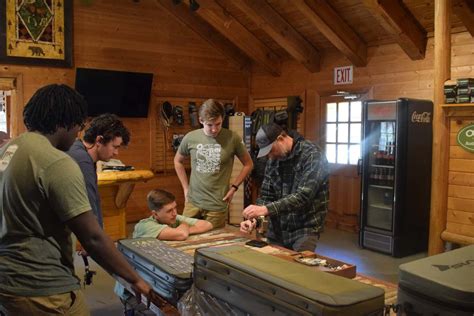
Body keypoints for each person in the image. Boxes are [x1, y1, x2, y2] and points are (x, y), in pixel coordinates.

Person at [0, 84, 152, 315]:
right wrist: (134, 279)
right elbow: (92, 237)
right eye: (79, 127)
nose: (78, 135)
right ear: (66, 122)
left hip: (7, 280)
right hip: (41, 285)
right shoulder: (57, 162)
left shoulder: (10, 148)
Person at [240, 122, 329, 252]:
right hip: (277, 229)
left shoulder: (312, 155)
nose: (270, 156)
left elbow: (303, 196)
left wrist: (265, 209)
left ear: (280, 139)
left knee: (298, 269)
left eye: (271, 150)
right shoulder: (274, 159)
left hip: (304, 228)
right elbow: (266, 194)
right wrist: (254, 220)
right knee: (272, 267)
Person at [174, 99, 253, 229]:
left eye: (218, 124)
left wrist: (234, 188)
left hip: (217, 205)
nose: (214, 129)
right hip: (193, 202)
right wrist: (185, 188)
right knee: (184, 237)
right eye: (210, 125)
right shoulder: (190, 137)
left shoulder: (232, 138)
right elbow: (177, 161)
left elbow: (248, 164)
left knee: (213, 244)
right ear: (201, 120)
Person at [67, 113, 130, 228]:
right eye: (115, 147)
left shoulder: (81, 151)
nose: (116, 153)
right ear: (99, 140)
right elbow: (90, 214)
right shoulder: (82, 160)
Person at [133, 189, 213, 241]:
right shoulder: (145, 226)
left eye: (175, 208)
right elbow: (182, 234)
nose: (175, 213)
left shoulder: (173, 218)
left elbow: (207, 224)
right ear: (155, 214)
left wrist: (182, 229)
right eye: (169, 211)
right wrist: (184, 225)